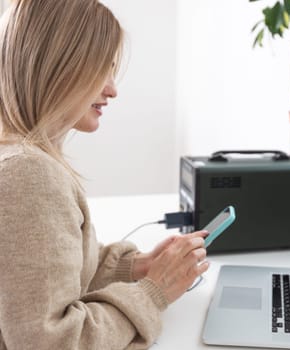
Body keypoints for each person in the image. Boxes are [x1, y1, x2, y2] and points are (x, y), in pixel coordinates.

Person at [0, 0, 209, 349]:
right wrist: (154, 292)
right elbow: (50, 342)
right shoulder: (28, 173)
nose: (112, 89)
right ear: (61, 65)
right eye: (102, 70)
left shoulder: (20, 156)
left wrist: (139, 266)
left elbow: (50, 267)